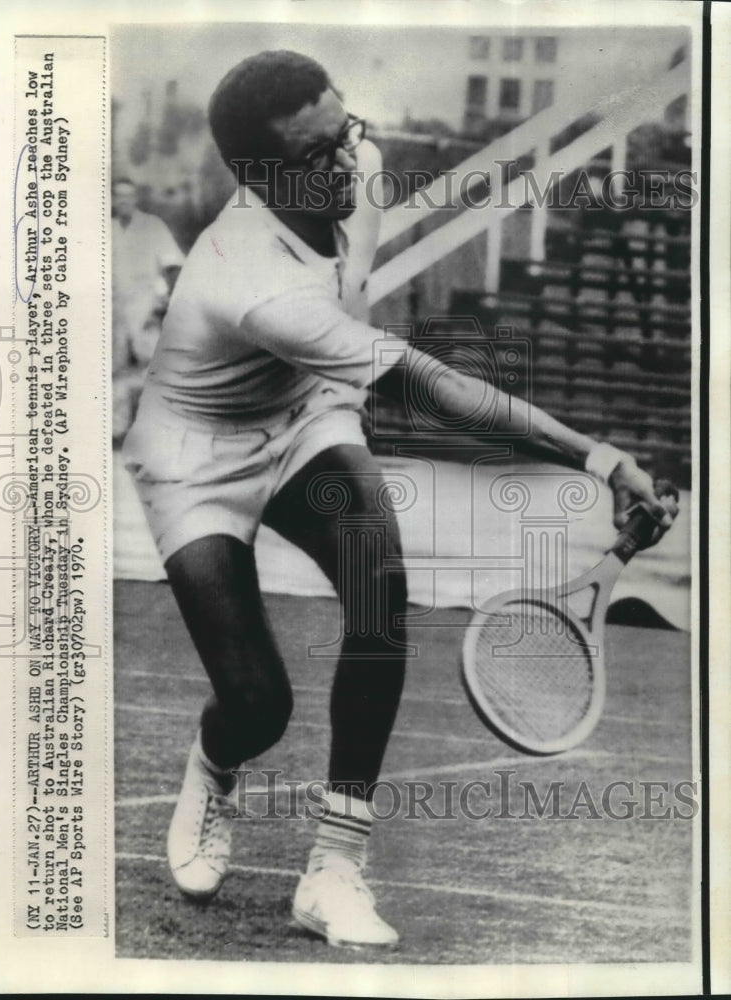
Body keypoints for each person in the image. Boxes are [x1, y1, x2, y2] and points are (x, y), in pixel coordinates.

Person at [122, 50, 678, 949]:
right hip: (197, 456)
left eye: (346, 133)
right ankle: (216, 762)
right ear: (255, 177)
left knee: (379, 583)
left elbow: (372, 185)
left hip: (306, 416)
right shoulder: (249, 280)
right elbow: (435, 388)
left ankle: (335, 869)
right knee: (259, 703)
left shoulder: (357, 164)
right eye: (314, 158)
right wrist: (600, 458)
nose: (345, 164)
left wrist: (602, 462)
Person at [112, 178, 185, 440]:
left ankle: (158, 430)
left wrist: (165, 304)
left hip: (147, 307)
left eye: (128, 196)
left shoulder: (152, 227)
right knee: (116, 371)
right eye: (118, 196)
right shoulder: (106, 230)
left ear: (136, 199)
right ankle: (119, 430)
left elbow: (173, 265)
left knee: (154, 369)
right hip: (116, 311)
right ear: (111, 199)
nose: (123, 201)